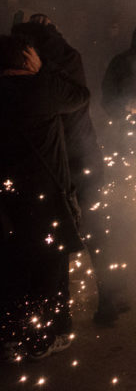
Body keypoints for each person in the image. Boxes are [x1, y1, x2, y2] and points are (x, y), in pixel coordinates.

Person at [11, 14, 127, 326]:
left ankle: (99, 301)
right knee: (87, 232)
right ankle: (106, 296)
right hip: (73, 163)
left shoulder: (54, 71)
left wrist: (40, 72)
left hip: (72, 165)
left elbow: (69, 97)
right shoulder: (64, 60)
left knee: (82, 233)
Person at [0, 32, 89, 361]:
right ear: (29, 60)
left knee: (10, 267)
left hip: (8, 203)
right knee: (50, 269)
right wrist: (46, 67)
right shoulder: (40, 90)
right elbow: (79, 94)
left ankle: (10, 339)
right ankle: (44, 339)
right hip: (46, 200)